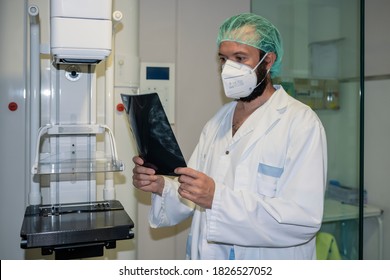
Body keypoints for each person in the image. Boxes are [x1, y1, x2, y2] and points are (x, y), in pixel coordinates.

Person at [132, 13, 327, 260]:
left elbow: (302, 220)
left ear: (268, 61)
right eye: (223, 59)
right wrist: (161, 186)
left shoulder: (300, 123)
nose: (228, 69)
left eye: (240, 58)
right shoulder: (219, 120)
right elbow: (193, 191)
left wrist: (217, 198)